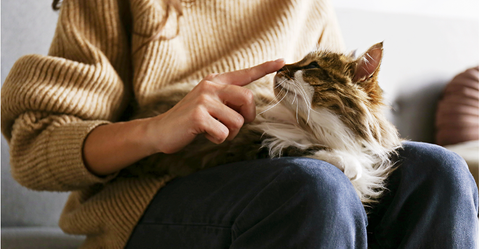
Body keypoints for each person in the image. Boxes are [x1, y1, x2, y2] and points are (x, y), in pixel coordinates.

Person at [1, 0, 477, 248]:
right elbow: (35, 146)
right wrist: (155, 131)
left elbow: (344, 105)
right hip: (154, 199)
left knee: (440, 173)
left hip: (283, 172)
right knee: (314, 188)